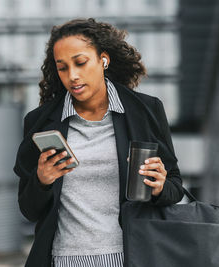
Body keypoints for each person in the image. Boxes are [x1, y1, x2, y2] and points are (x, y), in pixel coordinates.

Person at [13, 18, 184, 267]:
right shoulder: (40, 122)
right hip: (63, 260)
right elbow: (28, 210)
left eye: (80, 62)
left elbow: (175, 187)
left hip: (131, 257)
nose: (72, 76)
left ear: (103, 59)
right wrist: (42, 181)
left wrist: (158, 186)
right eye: (62, 68)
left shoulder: (146, 111)